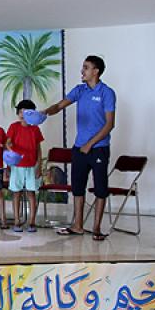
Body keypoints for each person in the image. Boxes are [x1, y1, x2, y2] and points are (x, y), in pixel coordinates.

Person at [45, 55, 116, 241]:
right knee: (78, 188)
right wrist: (44, 112)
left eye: (86, 67)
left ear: (96, 71)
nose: (82, 71)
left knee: (100, 189)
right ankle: (77, 226)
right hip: (79, 149)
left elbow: (109, 124)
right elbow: (59, 106)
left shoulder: (107, 93)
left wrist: (89, 144)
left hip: (98, 148)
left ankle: (97, 228)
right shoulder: (80, 90)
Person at [6, 99, 44, 232]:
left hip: (31, 166)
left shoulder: (35, 129)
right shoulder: (13, 127)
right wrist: (10, 150)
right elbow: (8, 143)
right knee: (16, 193)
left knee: (31, 193)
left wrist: (39, 166)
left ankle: (32, 221)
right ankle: (17, 220)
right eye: (20, 111)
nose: (22, 114)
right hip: (17, 166)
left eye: (26, 112)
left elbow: (39, 149)